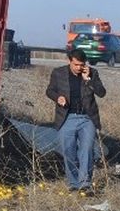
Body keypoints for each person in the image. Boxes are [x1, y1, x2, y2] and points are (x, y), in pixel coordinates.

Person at [45, 50, 107, 194]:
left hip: (87, 118)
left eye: (81, 65)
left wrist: (88, 80)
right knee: (68, 151)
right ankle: (73, 183)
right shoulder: (58, 73)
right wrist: (58, 98)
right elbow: (49, 91)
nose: (79, 68)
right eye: (76, 64)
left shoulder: (92, 73)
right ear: (69, 61)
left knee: (87, 150)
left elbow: (102, 93)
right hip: (67, 117)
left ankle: (85, 184)